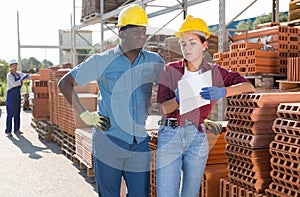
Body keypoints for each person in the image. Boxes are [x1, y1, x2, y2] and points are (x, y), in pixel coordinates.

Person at [58, 4, 164, 197]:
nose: (141, 36)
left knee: (141, 194)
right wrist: (84, 115)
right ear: (121, 32)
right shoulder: (101, 61)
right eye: (136, 32)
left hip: (138, 142)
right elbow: (65, 83)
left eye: (144, 32)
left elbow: (172, 89)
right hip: (109, 141)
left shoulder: (154, 61)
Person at [155, 15, 255, 197]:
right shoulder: (170, 70)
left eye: (192, 43)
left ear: (204, 45)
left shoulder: (215, 73)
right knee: (166, 193)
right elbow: (162, 108)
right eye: (183, 43)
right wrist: (178, 100)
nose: (187, 48)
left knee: (191, 193)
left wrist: (222, 92)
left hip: (197, 136)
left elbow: (248, 86)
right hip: (171, 134)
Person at [5, 59, 30, 137]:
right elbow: (14, 84)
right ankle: (8, 131)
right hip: (11, 95)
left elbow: (27, 76)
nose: (15, 67)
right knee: (10, 113)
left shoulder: (19, 74)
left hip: (17, 95)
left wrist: (34, 75)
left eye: (16, 65)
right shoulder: (9, 75)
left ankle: (16, 130)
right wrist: (22, 80)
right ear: (10, 67)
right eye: (13, 66)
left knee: (17, 112)